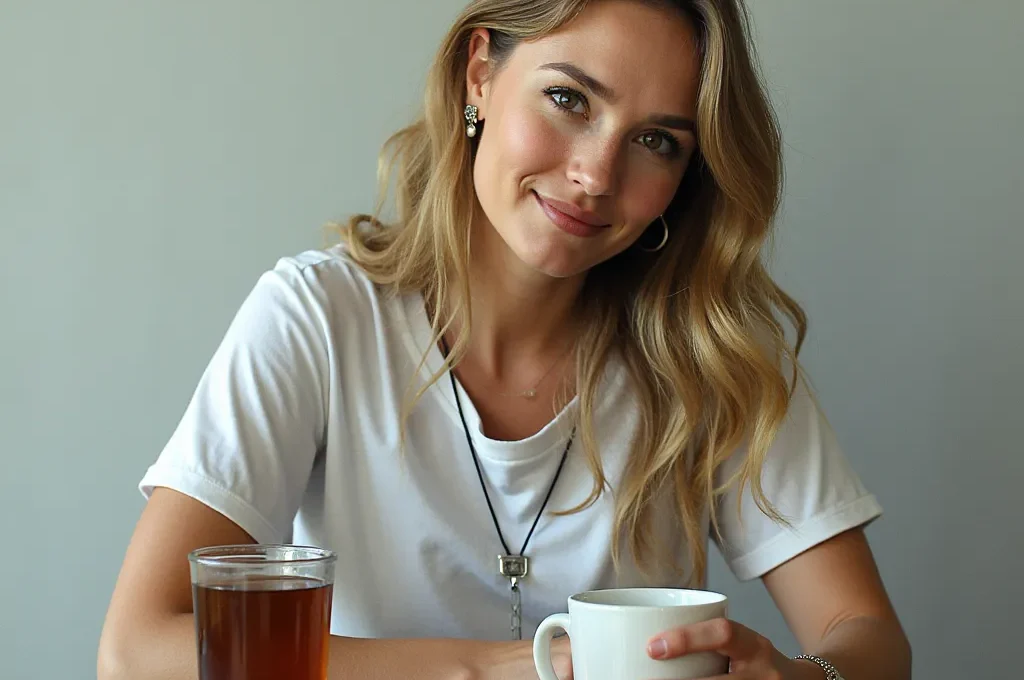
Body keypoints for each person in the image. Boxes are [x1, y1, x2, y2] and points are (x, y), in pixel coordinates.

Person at [98, 0, 912, 678]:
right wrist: (491, 668)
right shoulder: (319, 318)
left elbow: (871, 639)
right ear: (479, 73)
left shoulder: (708, 353)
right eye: (571, 100)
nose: (597, 174)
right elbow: (136, 651)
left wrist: (801, 678)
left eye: (655, 140)